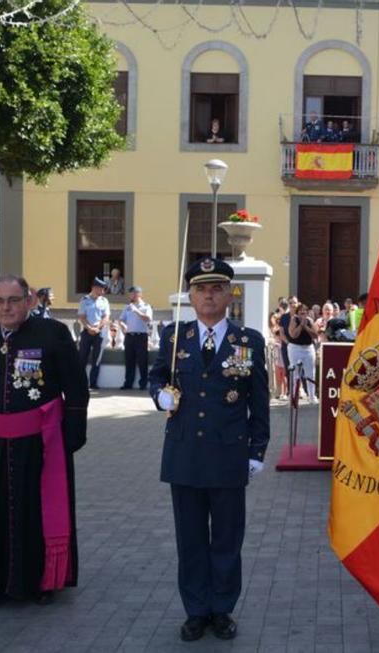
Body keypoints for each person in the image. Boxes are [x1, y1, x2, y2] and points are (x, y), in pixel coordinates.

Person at [148, 258, 268, 642]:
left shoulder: (248, 341)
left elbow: (260, 401)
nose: (209, 295)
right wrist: (159, 396)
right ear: (191, 295)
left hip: (229, 454)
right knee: (191, 539)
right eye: (201, 288)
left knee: (227, 539)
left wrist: (256, 451)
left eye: (217, 287)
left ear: (231, 294)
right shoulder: (173, 337)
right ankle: (196, 610)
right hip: (184, 454)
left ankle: (222, 609)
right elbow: (156, 377)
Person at [0, 274, 89, 606]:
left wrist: (71, 435)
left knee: (36, 516)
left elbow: (75, 388)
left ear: (29, 301)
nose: (5, 307)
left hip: (40, 445)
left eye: (13, 300)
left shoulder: (53, 334)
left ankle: (39, 582)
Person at [77, 277, 111, 390]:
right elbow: (82, 317)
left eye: (103, 289)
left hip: (99, 333)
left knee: (97, 359)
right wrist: (89, 328)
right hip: (87, 332)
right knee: (82, 358)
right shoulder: (84, 300)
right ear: (94, 288)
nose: (102, 291)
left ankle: (93, 383)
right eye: (101, 289)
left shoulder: (104, 301)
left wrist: (98, 328)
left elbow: (106, 317)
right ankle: (81, 382)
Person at [118, 285, 153, 390]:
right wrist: (122, 325)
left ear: (139, 294)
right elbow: (121, 320)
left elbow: (148, 319)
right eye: (131, 293)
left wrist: (137, 311)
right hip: (129, 336)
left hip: (141, 336)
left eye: (134, 293)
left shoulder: (146, 306)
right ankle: (128, 383)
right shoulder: (127, 307)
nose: (132, 295)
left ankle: (143, 384)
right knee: (129, 360)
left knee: (142, 361)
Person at [286, 303, 318, 403]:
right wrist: (301, 325)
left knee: (311, 373)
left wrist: (306, 327)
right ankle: (294, 397)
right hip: (295, 349)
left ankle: (312, 397)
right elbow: (293, 335)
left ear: (307, 312)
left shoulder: (310, 320)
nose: (303, 312)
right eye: (301, 311)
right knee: (295, 374)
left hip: (308, 348)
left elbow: (315, 335)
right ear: (297, 312)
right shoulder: (294, 319)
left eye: (305, 311)